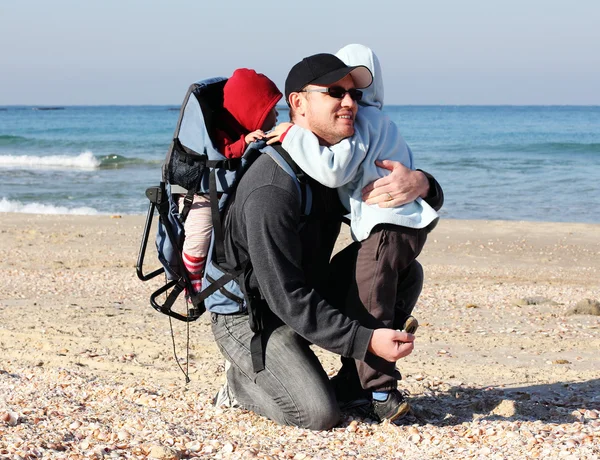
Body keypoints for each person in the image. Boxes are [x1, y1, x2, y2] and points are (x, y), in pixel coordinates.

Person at [210, 53, 443, 430]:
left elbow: (389, 211)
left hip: (302, 293)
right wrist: (366, 340)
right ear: (298, 103)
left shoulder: (333, 165)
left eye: (354, 94)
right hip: (253, 317)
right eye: (335, 92)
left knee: (405, 270)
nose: (350, 103)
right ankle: (241, 382)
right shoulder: (271, 187)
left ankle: (354, 386)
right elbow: (284, 296)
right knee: (317, 415)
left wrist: (424, 184)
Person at [178, 68, 282, 293]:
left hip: (225, 195)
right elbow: (222, 151)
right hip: (202, 197)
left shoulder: (240, 128)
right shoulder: (221, 128)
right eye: (271, 110)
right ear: (252, 111)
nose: (277, 116)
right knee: (199, 240)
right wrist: (245, 142)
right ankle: (191, 284)